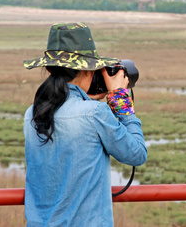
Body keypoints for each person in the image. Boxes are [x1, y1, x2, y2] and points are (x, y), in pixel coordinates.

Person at [23, 22, 147, 226]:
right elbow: (136, 154)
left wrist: (84, 99)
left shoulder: (32, 114)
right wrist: (120, 100)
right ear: (88, 70)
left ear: (48, 68)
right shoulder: (95, 113)